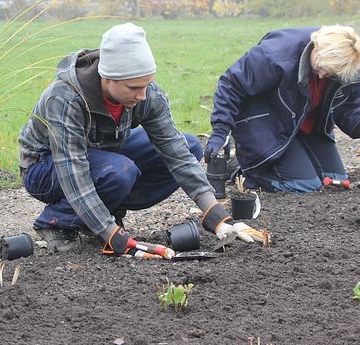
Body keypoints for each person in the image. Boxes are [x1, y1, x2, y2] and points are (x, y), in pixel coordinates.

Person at [18, 22, 262, 255]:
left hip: (102, 156)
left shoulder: (146, 94)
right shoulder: (65, 98)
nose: (143, 95)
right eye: (134, 88)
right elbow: (73, 173)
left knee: (189, 146)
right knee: (119, 172)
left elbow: (175, 151)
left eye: (147, 84)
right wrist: (111, 233)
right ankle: (56, 222)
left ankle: (107, 205)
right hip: (46, 166)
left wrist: (216, 215)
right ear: (108, 77)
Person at [205, 25, 360, 193]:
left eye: (331, 73)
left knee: (335, 181)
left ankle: (293, 157)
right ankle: (242, 169)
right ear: (316, 45)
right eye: (321, 67)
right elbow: (231, 85)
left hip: (306, 128)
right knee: (304, 185)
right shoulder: (276, 54)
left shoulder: (350, 64)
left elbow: (348, 107)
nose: (323, 74)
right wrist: (220, 131)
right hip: (268, 124)